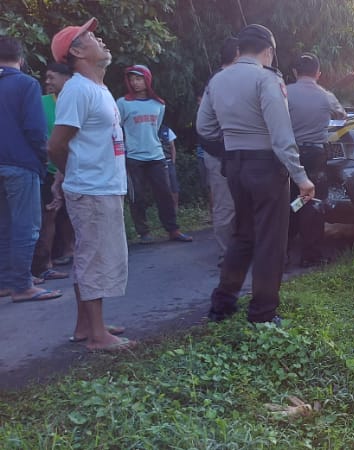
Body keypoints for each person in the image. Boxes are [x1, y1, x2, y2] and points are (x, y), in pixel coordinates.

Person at [197, 24, 315, 325]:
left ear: (239, 50)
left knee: (243, 235)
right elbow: (281, 136)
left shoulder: (218, 79)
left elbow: (204, 128)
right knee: (270, 241)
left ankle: (221, 306)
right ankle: (262, 314)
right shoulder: (266, 79)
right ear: (269, 51)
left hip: (234, 167)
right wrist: (301, 177)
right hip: (266, 167)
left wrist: (231, 148)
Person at [47, 17, 135, 351]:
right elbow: (56, 145)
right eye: (92, 36)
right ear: (77, 51)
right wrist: (72, 175)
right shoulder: (78, 90)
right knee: (95, 257)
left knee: (92, 254)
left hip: (103, 185)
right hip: (92, 187)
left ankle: (87, 326)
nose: (100, 39)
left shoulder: (97, 88)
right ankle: (98, 336)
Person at [0, 36, 62, 302]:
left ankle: (5, 282)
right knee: (26, 226)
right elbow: (36, 130)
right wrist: (41, 160)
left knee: (4, 226)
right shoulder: (25, 83)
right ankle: (23, 286)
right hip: (20, 164)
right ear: (21, 59)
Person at [117, 64, 192, 243]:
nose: (135, 83)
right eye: (132, 79)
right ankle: (143, 232)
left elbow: (156, 128)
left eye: (139, 78)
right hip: (134, 157)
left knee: (165, 194)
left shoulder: (158, 104)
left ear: (147, 80)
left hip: (156, 155)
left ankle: (173, 229)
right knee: (138, 196)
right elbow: (117, 128)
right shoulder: (123, 103)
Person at [286, 52, 347, 267]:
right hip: (314, 157)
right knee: (312, 202)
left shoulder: (284, 92)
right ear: (318, 74)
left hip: (288, 156)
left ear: (295, 72)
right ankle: (310, 255)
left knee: (290, 200)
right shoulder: (326, 96)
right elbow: (341, 115)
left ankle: (283, 252)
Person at [198, 37, 239, 264]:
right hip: (221, 154)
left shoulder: (222, 79)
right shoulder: (221, 81)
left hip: (229, 153)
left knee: (235, 203)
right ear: (237, 55)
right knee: (226, 205)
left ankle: (236, 250)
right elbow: (204, 128)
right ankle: (227, 252)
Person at [43, 63, 76, 268]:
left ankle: (71, 250)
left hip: (74, 165)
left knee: (71, 212)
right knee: (50, 213)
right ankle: (45, 261)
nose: (47, 82)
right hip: (50, 166)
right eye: (46, 78)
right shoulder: (42, 102)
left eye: (51, 78)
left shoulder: (75, 99)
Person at [158, 123, 180, 211]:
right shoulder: (150, 129)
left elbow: (172, 147)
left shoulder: (166, 130)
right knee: (163, 186)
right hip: (158, 163)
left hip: (169, 161)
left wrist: (173, 162)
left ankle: (175, 207)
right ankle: (165, 208)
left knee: (173, 185)